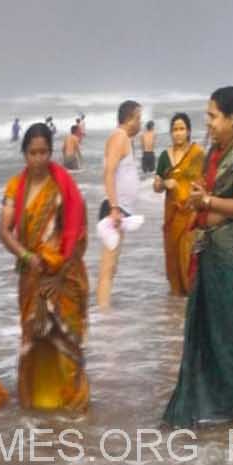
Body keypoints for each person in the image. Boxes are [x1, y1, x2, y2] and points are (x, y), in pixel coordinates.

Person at [161, 87, 233, 428]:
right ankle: (212, 411)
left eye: (213, 116)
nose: (208, 123)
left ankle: (227, 414)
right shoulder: (217, 152)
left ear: (232, 118)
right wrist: (201, 196)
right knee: (208, 339)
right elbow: (209, 191)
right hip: (213, 255)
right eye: (207, 116)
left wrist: (209, 203)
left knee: (227, 343)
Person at [0, 123, 91, 412]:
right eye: (32, 153)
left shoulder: (64, 186)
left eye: (43, 152)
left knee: (68, 346)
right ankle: (37, 409)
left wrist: (61, 275)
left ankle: (74, 411)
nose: (38, 159)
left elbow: (78, 233)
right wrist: (26, 257)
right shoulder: (15, 187)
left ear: (51, 152)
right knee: (33, 343)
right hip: (32, 279)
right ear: (24, 153)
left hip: (64, 278)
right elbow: (4, 231)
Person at [96, 99, 146, 309]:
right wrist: (115, 209)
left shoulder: (124, 139)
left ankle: (104, 311)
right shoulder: (120, 137)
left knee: (112, 267)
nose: (140, 123)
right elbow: (109, 172)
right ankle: (103, 316)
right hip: (114, 209)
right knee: (108, 268)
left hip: (120, 209)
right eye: (139, 118)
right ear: (130, 119)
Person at [151, 111, 206, 295]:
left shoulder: (198, 155)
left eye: (182, 129)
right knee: (173, 258)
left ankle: (190, 299)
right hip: (172, 216)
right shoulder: (165, 157)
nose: (178, 133)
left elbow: (207, 183)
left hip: (191, 216)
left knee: (189, 258)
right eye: (175, 129)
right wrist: (164, 183)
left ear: (189, 131)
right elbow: (156, 186)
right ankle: (176, 302)